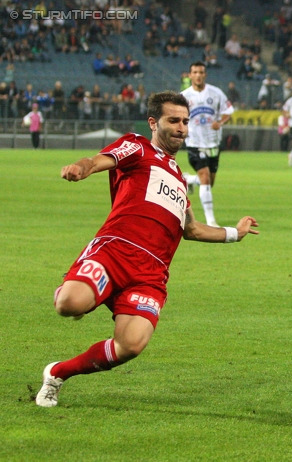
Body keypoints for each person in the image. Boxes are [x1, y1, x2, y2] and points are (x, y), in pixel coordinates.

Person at [35, 91, 259, 408]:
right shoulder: (138, 147)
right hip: (115, 252)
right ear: (154, 122)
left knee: (131, 344)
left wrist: (235, 233)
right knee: (69, 304)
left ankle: (57, 373)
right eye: (173, 120)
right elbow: (99, 160)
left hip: (150, 275)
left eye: (185, 121)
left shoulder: (180, 180)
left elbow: (191, 229)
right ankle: (75, 286)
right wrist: (80, 167)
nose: (181, 128)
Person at [181, 61, 235, 226]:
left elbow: (229, 112)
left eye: (201, 72)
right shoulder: (183, 97)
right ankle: (211, 221)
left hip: (213, 143)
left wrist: (220, 122)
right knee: (204, 178)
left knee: (209, 182)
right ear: (190, 75)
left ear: (205, 74)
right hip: (194, 143)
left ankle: (189, 180)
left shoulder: (216, 93)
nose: (198, 75)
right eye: (195, 72)